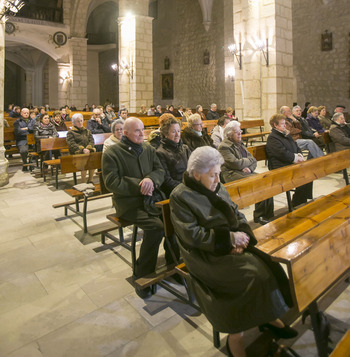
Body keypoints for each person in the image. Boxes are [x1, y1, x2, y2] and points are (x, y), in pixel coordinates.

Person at [170, 146, 297, 357]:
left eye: (219, 173)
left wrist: (241, 236)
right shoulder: (180, 196)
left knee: (268, 265)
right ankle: (235, 336)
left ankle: (266, 316)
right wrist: (229, 239)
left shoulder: (216, 185)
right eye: (213, 175)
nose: (218, 179)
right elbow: (191, 235)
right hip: (204, 254)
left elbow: (235, 212)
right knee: (252, 275)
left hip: (227, 244)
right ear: (196, 175)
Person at [103, 117, 172, 299]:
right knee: (156, 228)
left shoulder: (148, 149)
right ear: (125, 133)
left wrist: (151, 180)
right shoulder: (112, 153)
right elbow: (111, 182)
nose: (142, 134)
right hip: (129, 204)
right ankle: (142, 274)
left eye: (143, 130)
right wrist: (140, 185)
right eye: (137, 131)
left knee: (174, 219)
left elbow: (160, 171)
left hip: (152, 199)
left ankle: (174, 263)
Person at [219, 120, 274, 224]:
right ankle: (260, 215)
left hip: (244, 172)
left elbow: (253, 160)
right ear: (229, 134)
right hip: (231, 174)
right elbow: (235, 163)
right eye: (236, 132)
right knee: (259, 183)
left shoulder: (239, 143)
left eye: (240, 130)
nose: (240, 133)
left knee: (267, 179)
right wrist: (245, 163)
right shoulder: (224, 146)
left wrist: (249, 168)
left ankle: (268, 214)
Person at [266, 113, 312, 207]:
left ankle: (301, 200)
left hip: (289, 163)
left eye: (285, 123)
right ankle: (297, 203)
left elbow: (296, 146)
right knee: (302, 176)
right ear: (275, 125)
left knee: (309, 172)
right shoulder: (272, 137)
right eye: (283, 124)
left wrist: (300, 155)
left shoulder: (286, 134)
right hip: (280, 166)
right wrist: (295, 158)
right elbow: (281, 153)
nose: (285, 126)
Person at [156, 119, 190, 198]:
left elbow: (194, 168)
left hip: (189, 187)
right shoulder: (160, 153)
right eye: (173, 132)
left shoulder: (185, 148)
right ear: (165, 134)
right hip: (176, 192)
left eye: (178, 131)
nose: (177, 134)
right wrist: (186, 189)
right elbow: (166, 181)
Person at [66, 113, 96, 183]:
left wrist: (89, 148)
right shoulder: (71, 133)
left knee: (94, 158)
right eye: (78, 121)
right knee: (84, 160)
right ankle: (83, 181)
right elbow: (71, 144)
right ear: (74, 123)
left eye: (81, 121)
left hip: (87, 151)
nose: (80, 123)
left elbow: (91, 141)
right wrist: (82, 149)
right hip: (77, 153)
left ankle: (90, 179)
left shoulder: (87, 131)